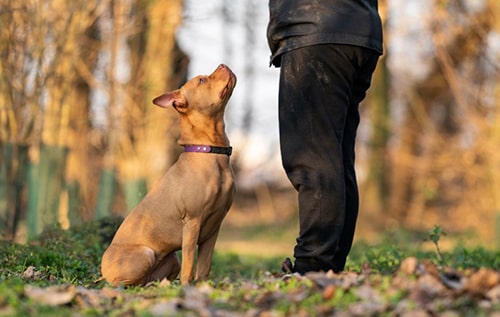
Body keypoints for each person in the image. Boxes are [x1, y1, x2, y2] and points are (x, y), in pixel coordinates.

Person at [267, 0, 383, 274]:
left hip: (315, 30)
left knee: (311, 157)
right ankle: (330, 268)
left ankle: (312, 266)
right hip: (360, 31)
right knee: (337, 158)